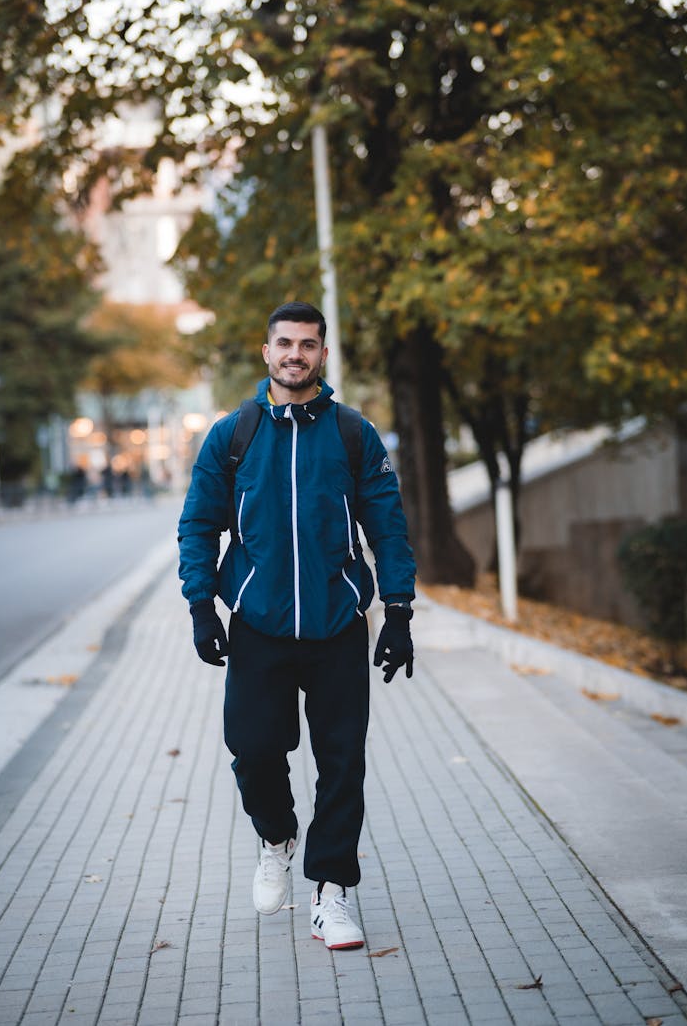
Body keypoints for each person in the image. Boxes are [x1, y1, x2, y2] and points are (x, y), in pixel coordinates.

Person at [178, 301, 416, 950]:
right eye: (284, 343)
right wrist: (203, 605)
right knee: (253, 749)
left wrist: (398, 610)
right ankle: (277, 835)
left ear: (322, 354)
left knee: (342, 764)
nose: (295, 354)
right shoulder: (234, 434)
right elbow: (200, 523)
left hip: (340, 625)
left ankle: (331, 892)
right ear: (266, 351)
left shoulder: (351, 433)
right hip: (259, 624)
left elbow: (387, 527)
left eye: (307, 344)